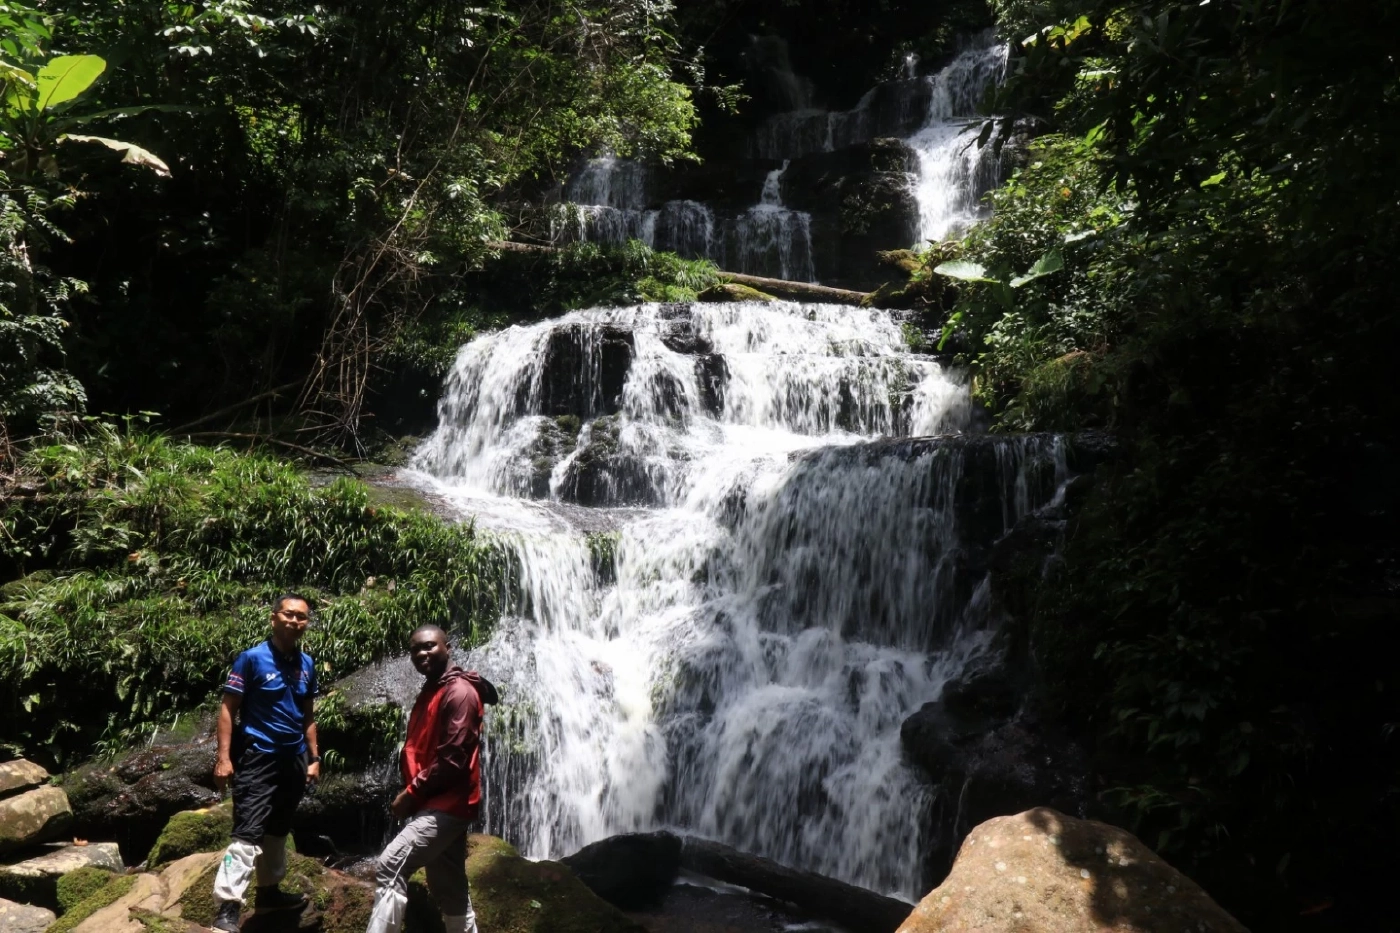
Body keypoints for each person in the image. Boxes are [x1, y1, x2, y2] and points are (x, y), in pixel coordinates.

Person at [365, 624, 498, 933]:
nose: (422, 653)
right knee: (448, 887)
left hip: (447, 804)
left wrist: (412, 793)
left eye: (429, 646)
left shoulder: (459, 692)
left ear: (447, 648)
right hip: (436, 801)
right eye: (415, 649)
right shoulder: (434, 688)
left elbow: (453, 760)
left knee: (390, 865)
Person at [211, 593, 322, 933]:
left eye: (301, 617)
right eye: (289, 614)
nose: (295, 621)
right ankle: (227, 908)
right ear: (274, 618)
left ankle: (269, 894)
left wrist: (314, 758)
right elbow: (228, 709)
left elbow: (308, 716)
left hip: (294, 758)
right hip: (258, 755)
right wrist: (224, 758)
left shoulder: (307, 664)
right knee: (248, 832)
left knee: (277, 830)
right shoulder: (252, 659)